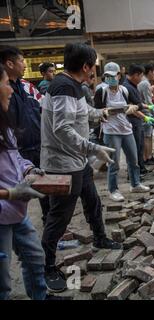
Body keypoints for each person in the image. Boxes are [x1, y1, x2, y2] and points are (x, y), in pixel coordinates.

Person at [40, 43, 122, 293]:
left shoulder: (73, 86)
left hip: (76, 160)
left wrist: (100, 114)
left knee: (92, 200)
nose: (93, 72)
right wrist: (92, 148)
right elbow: (62, 128)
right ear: (85, 66)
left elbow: (82, 111)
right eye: (93, 66)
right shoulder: (64, 87)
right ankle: (47, 266)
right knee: (59, 217)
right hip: (63, 163)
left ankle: (99, 237)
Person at [0, 64, 70, 300]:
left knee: (34, 256)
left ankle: (40, 296)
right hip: (2, 212)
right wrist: (9, 193)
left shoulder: (4, 124)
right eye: (5, 84)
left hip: (17, 212)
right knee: (2, 279)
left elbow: (14, 156)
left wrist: (28, 167)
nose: (10, 90)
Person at [0, 45, 50, 225]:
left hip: (37, 146)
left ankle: (50, 231)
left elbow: (41, 109)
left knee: (45, 193)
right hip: (16, 150)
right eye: (21, 61)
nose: (24, 65)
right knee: (17, 193)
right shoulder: (3, 92)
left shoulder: (27, 87)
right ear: (9, 63)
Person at [94, 61, 150, 202]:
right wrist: (104, 112)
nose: (111, 79)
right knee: (114, 163)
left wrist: (137, 110)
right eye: (108, 76)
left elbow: (134, 105)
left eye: (113, 76)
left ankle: (135, 184)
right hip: (111, 131)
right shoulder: (101, 91)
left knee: (134, 159)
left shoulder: (124, 90)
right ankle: (113, 190)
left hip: (126, 129)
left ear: (119, 75)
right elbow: (96, 112)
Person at [122, 64, 149, 175]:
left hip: (137, 121)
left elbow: (138, 104)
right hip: (132, 121)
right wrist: (145, 117)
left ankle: (140, 168)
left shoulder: (133, 85)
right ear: (135, 75)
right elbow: (131, 107)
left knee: (140, 146)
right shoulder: (127, 87)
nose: (141, 79)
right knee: (134, 148)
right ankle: (134, 173)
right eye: (141, 76)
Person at [137, 63, 154, 164]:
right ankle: (147, 158)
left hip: (145, 112)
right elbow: (148, 102)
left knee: (149, 136)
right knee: (147, 137)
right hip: (145, 113)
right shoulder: (145, 83)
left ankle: (149, 156)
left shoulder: (144, 82)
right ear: (150, 72)